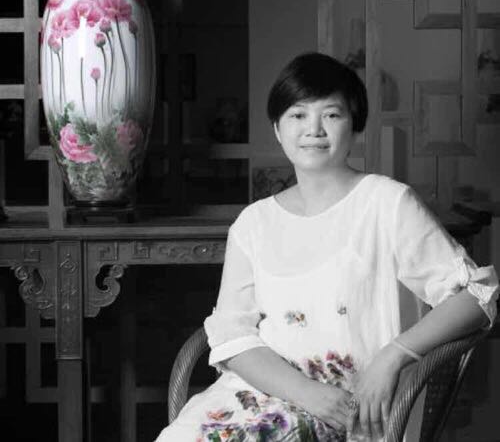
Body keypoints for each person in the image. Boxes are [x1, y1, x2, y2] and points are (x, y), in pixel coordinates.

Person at [156, 53, 499, 441]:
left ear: (355, 126)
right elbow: (233, 337)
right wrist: (306, 393)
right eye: (298, 115)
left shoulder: (387, 204)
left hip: (352, 409)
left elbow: (476, 297)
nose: (314, 129)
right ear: (277, 128)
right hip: (260, 395)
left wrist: (395, 354)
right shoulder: (253, 223)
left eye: (331, 114)